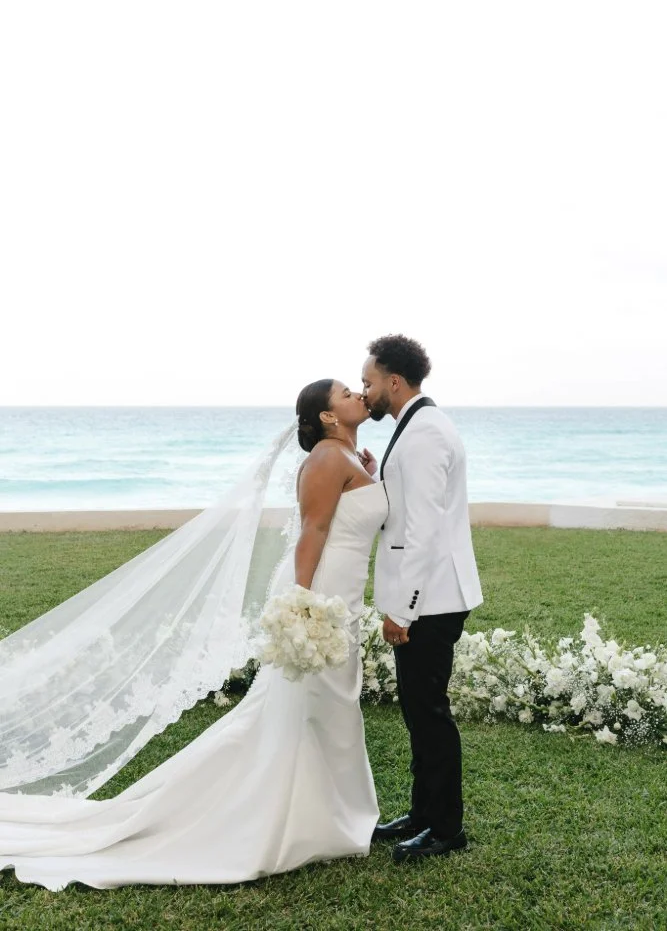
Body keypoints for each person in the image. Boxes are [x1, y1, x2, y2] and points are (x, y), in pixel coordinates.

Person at [0, 379, 387, 891]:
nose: (357, 394)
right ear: (328, 416)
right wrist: (303, 603)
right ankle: (301, 819)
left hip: (345, 595)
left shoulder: (352, 457)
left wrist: (373, 476)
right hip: (320, 594)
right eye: (346, 392)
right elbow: (312, 531)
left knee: (332, 705)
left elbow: (354, 518)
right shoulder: (326, 458)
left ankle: (333, 814)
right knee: (312, 705)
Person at [361, 334, 484, 862]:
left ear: (393, 382)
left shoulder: (427, 432)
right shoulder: (415, 425)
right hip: (427, 598)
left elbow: (426, 529)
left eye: (368, 382)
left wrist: (402, 610)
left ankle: (446, 829)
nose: (364, 392)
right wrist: (377, 476)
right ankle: (422, 813)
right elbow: (411, 504)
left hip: (431, 600)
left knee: (429, 712)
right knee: (417, 709)